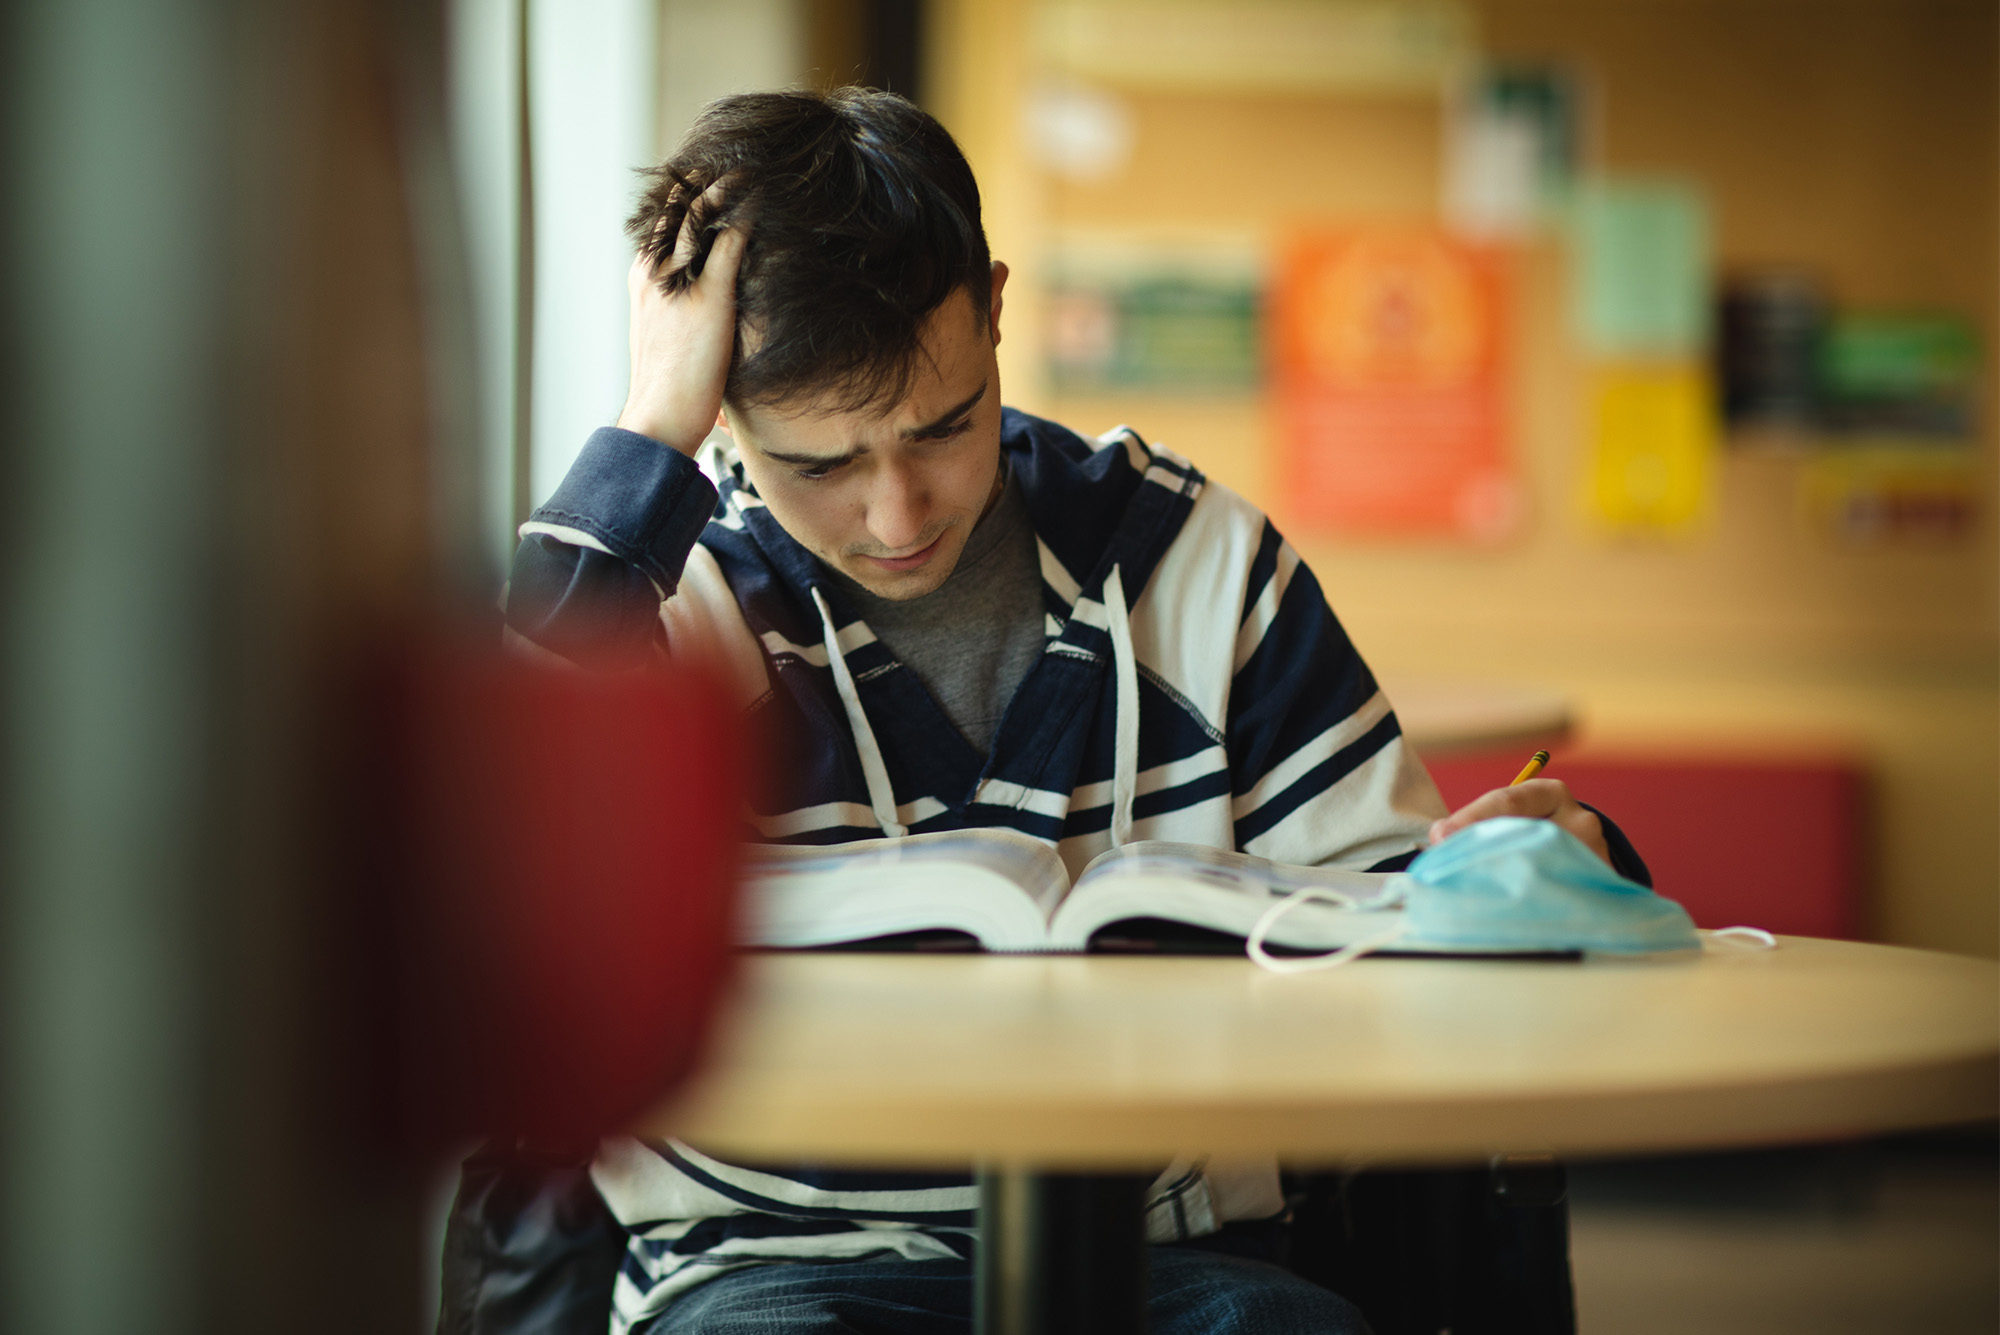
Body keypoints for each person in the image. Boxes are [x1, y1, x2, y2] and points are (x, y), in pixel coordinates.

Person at [472, 87, 1647, 1335]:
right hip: (767, 1260)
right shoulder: (672, 589)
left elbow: (1395, 937)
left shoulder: (1203, 561)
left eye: (943, 428)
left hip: (1172, 1252)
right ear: (725, 415)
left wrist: (1517, 872)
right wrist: (649, 424)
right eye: (819, 465)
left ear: (992, 306)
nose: (897, 515)